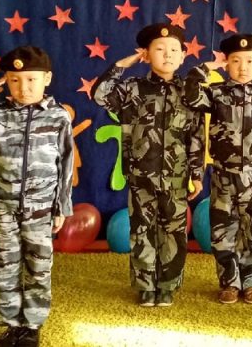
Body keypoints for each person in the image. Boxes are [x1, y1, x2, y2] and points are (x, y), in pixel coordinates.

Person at [0, 45, 74, 347]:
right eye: (14, 80)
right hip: (3, 207)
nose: (23, 87)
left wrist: (61, 206)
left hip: (41, 208)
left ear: (47, 79)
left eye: (31, 79)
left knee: (38, 268)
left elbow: (66, 163)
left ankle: (31, 326)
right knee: (4, 267)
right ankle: (10, 326)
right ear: (5, 81)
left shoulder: (58, 117)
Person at [91, 23, 205, 307]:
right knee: (142, 230)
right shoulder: (133, 88)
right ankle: (145, 285)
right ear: (146, 54)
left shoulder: (189, 93)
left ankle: (167, 285)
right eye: (159, 49)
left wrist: (197, 174)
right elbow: (100, 94)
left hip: (176, 175)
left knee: (173, 231)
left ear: (183, 56)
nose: (167, 55)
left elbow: (196, 136)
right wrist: (122, 65)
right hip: (141, 174)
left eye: (174, 50)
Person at [182, 33, 252, 305]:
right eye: (235, 60)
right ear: (226, 63)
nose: (243, 67)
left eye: (250, 61)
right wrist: (207, 67)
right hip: (223, 175)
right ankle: (229, 282)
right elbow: (189, 93)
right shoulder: (216, 93)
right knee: (223, 231)